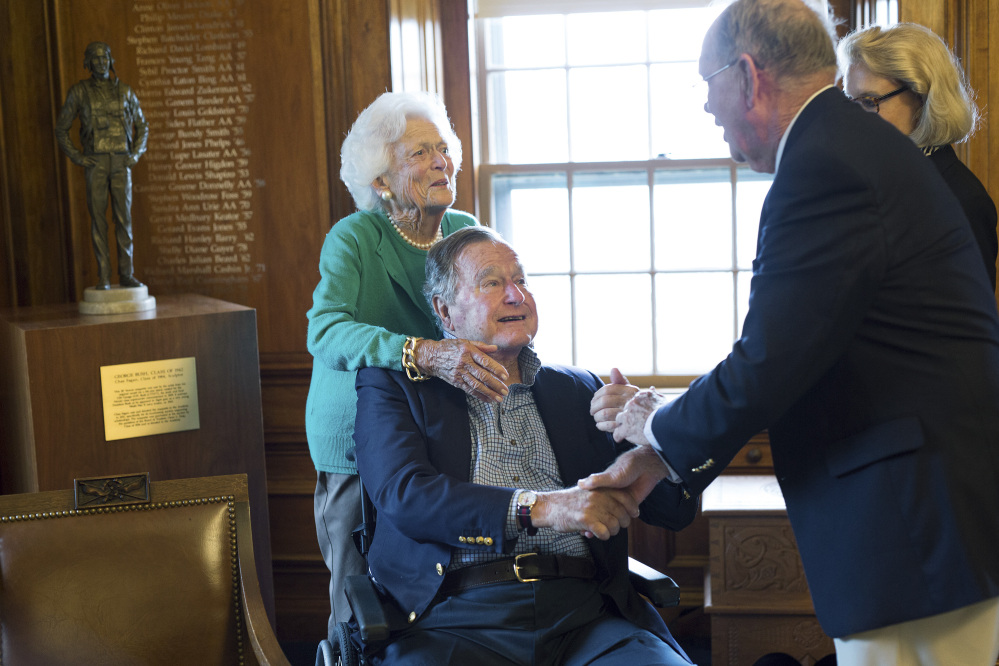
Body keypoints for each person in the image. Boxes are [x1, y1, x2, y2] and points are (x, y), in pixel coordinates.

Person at [580, 1, 999, 664]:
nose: (705, 109)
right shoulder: (845, 145)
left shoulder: (825, 164)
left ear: (746, 75)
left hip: (915, 529)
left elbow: (771, 358)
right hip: (921, 525)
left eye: (705, 83)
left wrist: (652, 421)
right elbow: (803, 354)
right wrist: (662, 456)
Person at [351, 226, 698, 665]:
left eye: (522, 280)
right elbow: (406, 497)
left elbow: (674, 512)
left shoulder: (581, 389)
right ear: (445, 310)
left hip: (586, 616)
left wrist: (654, 430)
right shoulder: (394, 387)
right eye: (492, 282)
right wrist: (543, 507)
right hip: (452, 620)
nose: (516, 295)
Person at [306, 92, 510, 637]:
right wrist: (421, 352)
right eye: (420, 153)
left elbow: (496, 312)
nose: (441, 160)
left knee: (435, 582)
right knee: (359, 597)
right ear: (381, 180)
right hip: (352, 434)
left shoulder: (467, 229)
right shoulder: (355, 237)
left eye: (443, 149)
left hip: (439, 431)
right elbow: (325, 331)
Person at [838, 22, 998, 290]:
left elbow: (963, 328)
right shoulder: (872, 180)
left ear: (922, 99)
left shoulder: (962, 200)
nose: (853, 119)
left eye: (869, 102)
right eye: (849, 101)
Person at [55, 41, 148, 290]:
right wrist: (77, 156)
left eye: (104, 57)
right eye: (95, 59)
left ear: (111, 60)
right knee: (98, 220)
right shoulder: (79, 92)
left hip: (121, 161)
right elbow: (61, 128)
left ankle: (126, 274)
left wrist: (136, 153)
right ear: (87, 63)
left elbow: (143, 126)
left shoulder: (126, 91)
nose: (101, 63)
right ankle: (104, 277)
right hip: (95, 162)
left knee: (124, 219)